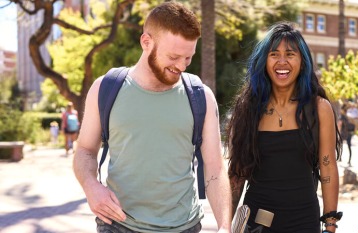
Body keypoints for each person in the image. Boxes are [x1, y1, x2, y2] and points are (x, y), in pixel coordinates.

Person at [72, 2, 231, 232]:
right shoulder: (105, 88)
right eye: (174, 56)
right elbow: (85, 150)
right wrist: (90, 186)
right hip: (118, 225)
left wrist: (225, 226)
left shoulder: (201, 97)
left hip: (184, 227)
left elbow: (215, 168)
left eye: (188, 58)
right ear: (146, 42)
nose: (182, 67)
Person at [226, 22, 342, 233]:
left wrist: (330, 225)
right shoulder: (249, 108)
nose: (282, 61)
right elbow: (237, 173)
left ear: (302, 60)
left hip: (304, 220)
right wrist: (225, 226)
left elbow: (328, 168)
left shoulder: (319, 108)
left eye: (290, 54)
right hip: (256, 222)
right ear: (264, 60)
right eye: (274, 54)